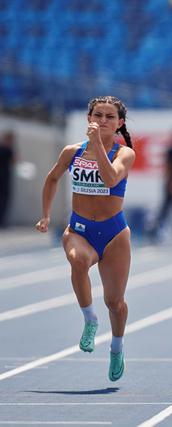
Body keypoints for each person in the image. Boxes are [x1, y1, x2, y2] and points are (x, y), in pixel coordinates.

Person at [35, 96, 135, 381]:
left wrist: (99, 147)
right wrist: (45, 215)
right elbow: (52, 179)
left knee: (115, 303)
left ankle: (117, 346)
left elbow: (111, 179)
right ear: (88, 118)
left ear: (119, 124)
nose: (102, 121)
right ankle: (90, 319)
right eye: (98, 115)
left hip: (114, 233)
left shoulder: (124, 153)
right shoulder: (72, 152)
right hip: (79, 229)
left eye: (109, 117)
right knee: (78, 261)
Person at [0, 130, 15, 228]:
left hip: (4, 177)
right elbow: (15, 161)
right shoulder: (9, 150)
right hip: (4, 178)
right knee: (4, 199)